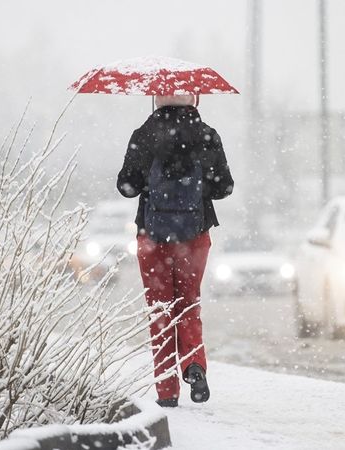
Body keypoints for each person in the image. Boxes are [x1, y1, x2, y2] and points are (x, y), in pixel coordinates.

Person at [116, 94, 234, 407]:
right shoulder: (207, 135)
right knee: (188, 303)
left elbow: (126, 187)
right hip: (194, 236)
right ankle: (194, 365)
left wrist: (148, 179)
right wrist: (197, 189)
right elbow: (224, 187)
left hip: (152, 237)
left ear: (156, 99)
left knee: (160, 310)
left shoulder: (144, 135)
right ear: (194, 98)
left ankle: (166, 390)